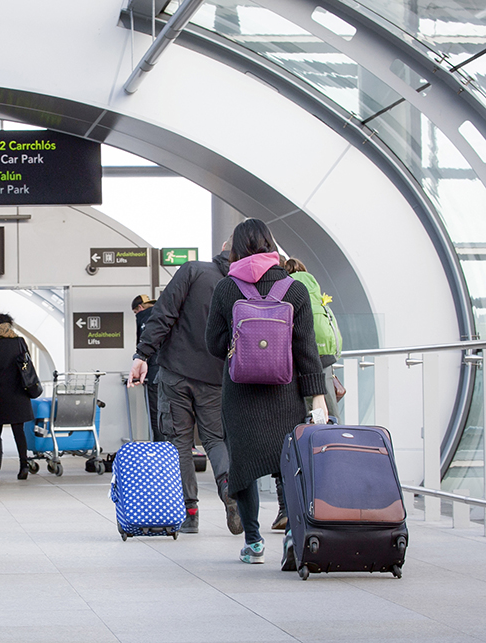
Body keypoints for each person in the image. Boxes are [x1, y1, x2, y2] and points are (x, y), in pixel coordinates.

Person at [205, 218, 327, 565]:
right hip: (284, 392)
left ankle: (254, 543)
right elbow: (307, 351)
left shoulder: (227, 289)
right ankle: (291, 537)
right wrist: (316, 395)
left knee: (243, 467)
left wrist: (241, 345)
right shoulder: (295, 289)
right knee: (286, 464)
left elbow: (213, 344)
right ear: (270, 245)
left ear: (237, 249)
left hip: (240, 394)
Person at [128, 243, 242, 536]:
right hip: (216, 375)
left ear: (223, 248)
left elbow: (163, 314)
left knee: (179, 442)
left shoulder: (194, 270)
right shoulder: (241, 284)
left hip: (176, 372)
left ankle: (189, 512)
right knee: (216, 440)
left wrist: (142, 355)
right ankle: (229, 488)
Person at [267, 257, 342, 530]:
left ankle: (288, 506)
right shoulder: (314, 285)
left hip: (293, 367)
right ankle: (333, 499)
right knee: (327, 432)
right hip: (323, 365)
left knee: (289, 433)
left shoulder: (285, 288)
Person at [0, 313, 34, 480]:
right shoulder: (19, 342)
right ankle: (24, 465)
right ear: (9, 325)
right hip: (18, 393)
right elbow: (27, 364)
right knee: (19, 431)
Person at [131, 294, 163, 442]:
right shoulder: (165, 313)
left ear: (140, 308)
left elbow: (143, 347)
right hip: (174, 373)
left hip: (153, 372)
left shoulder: (143, 317)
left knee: (156, 413)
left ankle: (159, 449)